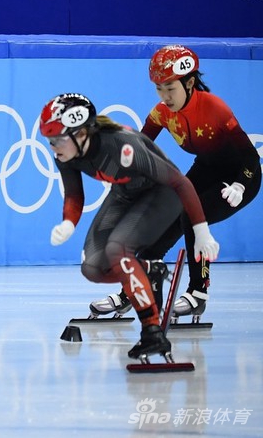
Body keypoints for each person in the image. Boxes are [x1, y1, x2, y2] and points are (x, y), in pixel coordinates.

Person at [39, 93, 220, 360]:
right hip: (125, 192)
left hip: (163, 194)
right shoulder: (66, 153)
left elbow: (180, 182)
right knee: (92, 268)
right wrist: (68, 222)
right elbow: (74, 195)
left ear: (81, 133)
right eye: (49, 140)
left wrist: (201, 229)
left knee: (117, 249)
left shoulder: (123, 147)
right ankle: (150, 271)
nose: (53, 147)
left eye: (56, 139)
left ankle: (152, 332)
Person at [90, 46, 260, 320]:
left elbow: (250, 156)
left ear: (189, 82)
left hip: (240, 176)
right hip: (205, 168)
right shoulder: (161, 113)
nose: (164, 96)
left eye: (170, 88)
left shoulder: (214, 107)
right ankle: (131, 292)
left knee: (194, 216)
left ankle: (197, 293)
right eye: (159, 89)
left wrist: (241, 184)